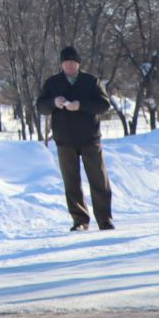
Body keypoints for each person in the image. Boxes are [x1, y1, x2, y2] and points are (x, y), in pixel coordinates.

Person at [36, 45, 113, 231]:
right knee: (72, 183)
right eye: (66, 62)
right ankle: (79, 220)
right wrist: (54, 102)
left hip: (90, 138)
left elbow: (104, 105)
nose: (69, 65)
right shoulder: (53, 83)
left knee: (99, 181)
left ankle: (105, 219)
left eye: (72, 62)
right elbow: (41, 106)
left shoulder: (90, 81)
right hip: (64, 140)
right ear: (62, 64)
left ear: (78, 63)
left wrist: (80, 105)